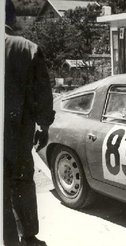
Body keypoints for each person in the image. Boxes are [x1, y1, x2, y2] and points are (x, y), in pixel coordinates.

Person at [4, 0, 55, 245]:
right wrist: (44, 126)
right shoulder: (28, 48)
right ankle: (28, 235)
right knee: (22, 182)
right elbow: (43, 94)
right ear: (13, 18)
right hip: (17, 136)